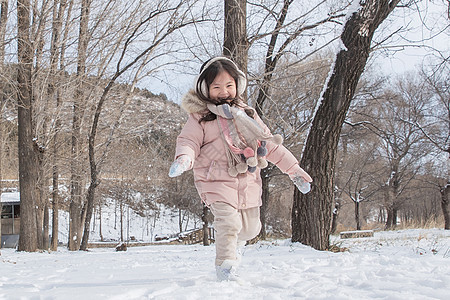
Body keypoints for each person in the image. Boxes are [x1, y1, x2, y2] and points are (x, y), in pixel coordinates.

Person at [169, 56, 312, 281]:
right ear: (206, 89)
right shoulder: (200, 118)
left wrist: (293, 170)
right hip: (214, 180)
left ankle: (236, 247)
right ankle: (225, 268)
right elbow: (188, 141)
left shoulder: (248, 114)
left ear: (238, 85)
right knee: (229, 222)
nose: (224, 91)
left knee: (250, 229)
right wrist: (184, 159)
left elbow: (270, 144)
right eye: (216, 87)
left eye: (229, 85)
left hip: (247, 179)